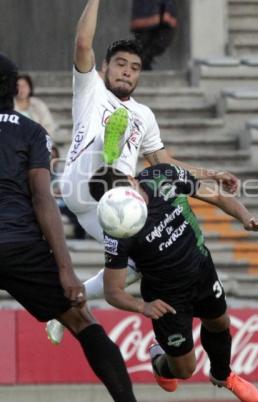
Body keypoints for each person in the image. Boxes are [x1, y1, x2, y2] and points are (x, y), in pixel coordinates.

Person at [46, 0, 238, 343]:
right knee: (113, 166)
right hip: (82, 182)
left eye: (134, 68)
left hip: (105, 207)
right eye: (120, 65)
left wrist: (208, 174)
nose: (127, 72)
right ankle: (110, 155)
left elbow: (164, 165)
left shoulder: (144, 114)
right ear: (105, 68)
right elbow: (82, 43)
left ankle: (65, 306)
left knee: (132, 266)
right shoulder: (90, 89)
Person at [0, 53, 138, 402]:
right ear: (16, 89)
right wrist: (66, 270)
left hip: (16, 239)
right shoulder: (32, 132)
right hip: (21, 244)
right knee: (81, 321)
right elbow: (43, 199)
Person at [100, 164, 258, 402]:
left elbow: (215, 194)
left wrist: (246, 217)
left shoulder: (162, 176)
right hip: (167, 297)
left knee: (219, 321)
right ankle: (158, 359)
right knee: (184, 370)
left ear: (133, 178)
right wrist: (143, 307)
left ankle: (223, 375)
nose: (133, 204)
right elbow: (112, 290)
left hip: (201, 268)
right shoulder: (119, 227)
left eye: (132, 193)